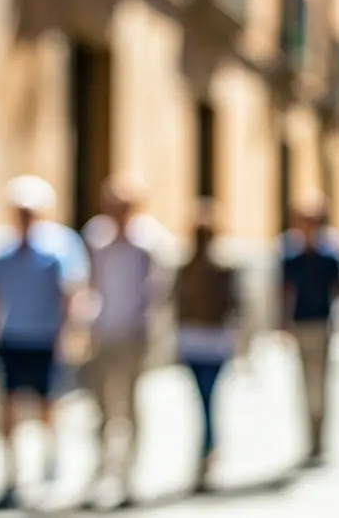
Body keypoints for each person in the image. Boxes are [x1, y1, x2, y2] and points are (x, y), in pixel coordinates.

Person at [0, 176, 75, 510]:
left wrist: (66, 336)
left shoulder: (55, 253)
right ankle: (11, 477)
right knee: (6, 409)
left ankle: (50, 466)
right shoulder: (2, 254)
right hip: (12, 338)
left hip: (43, 339)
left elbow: (68, 297)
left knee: (46, 408)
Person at [79, 175, 164, 509]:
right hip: (102, 332)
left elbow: (157, 293)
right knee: (99, 406)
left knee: (128, 405)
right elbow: (89, 282)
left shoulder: (149, 241)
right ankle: (101, 470)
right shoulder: (95, 237)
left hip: (132, 334)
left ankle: (130, 475)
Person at [171, 200, 244, 494]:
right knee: (203, 400)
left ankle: (207, 452)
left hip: (212, 342)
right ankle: (207, 451)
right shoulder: (185, 268)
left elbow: (234, 307)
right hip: (196, 341)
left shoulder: (223, 268)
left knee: (207, 399)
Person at [280, 197, 339, 466]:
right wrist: (282, 323)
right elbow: (284, 293)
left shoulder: (329, 256)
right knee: (305, 384)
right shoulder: (290, 257)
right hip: (300, 324)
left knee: (321, 383)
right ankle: (309, 440)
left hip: (322, 324)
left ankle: (321, 440)